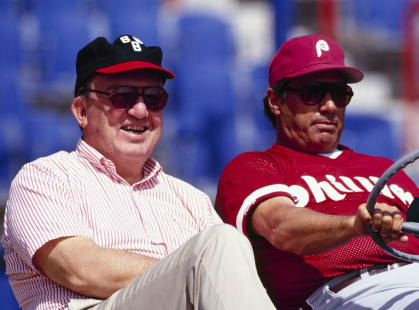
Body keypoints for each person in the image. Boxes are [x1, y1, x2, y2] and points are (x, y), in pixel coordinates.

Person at [1, 34, 276, 310]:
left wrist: (197, 271)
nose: (141, 110)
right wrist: (195, 270)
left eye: (154, 98)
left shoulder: (191, 199)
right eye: (123, 96)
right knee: (221, 244)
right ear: (82, 111)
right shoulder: (45, 178)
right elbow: (78, 268)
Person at [215, 34, 419, 310]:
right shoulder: (255, 166)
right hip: (348, 291)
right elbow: (281, 226)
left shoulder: (382, 168)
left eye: (340, 94)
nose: (329, 106)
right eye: (312, 92)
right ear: (275, 102)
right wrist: (354, 225)